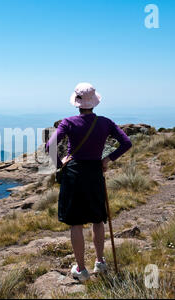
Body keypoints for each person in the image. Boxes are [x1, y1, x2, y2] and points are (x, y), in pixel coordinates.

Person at [45, 82, 132, 282]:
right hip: (95, 172)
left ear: (77, 103)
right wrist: (108, 159)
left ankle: (81, 269)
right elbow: (127, 142)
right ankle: (100, 262)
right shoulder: (106, 122)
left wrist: (60, 163)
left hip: (74, 174)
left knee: (76, 223)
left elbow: (49, 146)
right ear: (94, 103)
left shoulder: (68, 123)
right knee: (97, 219)